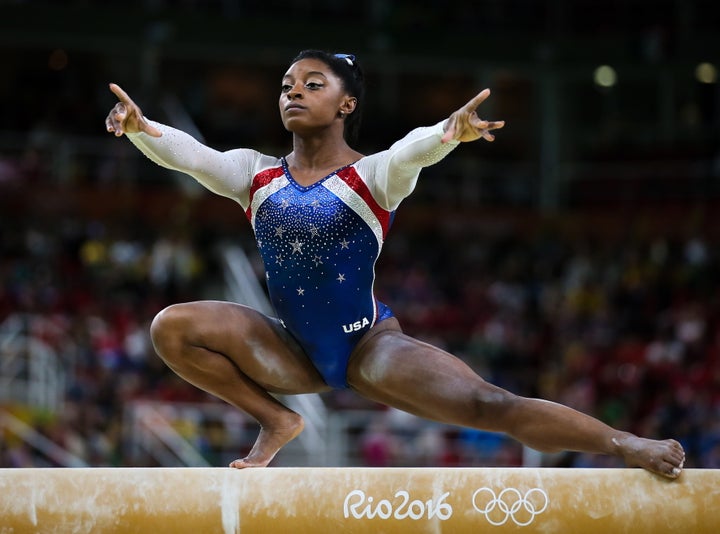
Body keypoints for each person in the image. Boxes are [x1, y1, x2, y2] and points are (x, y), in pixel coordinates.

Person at [105, 49, 685, 478]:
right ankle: (277, 421)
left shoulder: (371, 176)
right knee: (172, 328)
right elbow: (192, 157)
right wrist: (139, 129)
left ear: (346, 103)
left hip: (368, 349)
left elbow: (412, 151)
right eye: (286, 85)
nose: (293, 93)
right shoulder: (256, 175)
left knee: (490, 404)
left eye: (312, 84)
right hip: (292, 350)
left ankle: (624, 445)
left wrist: (448, 134)